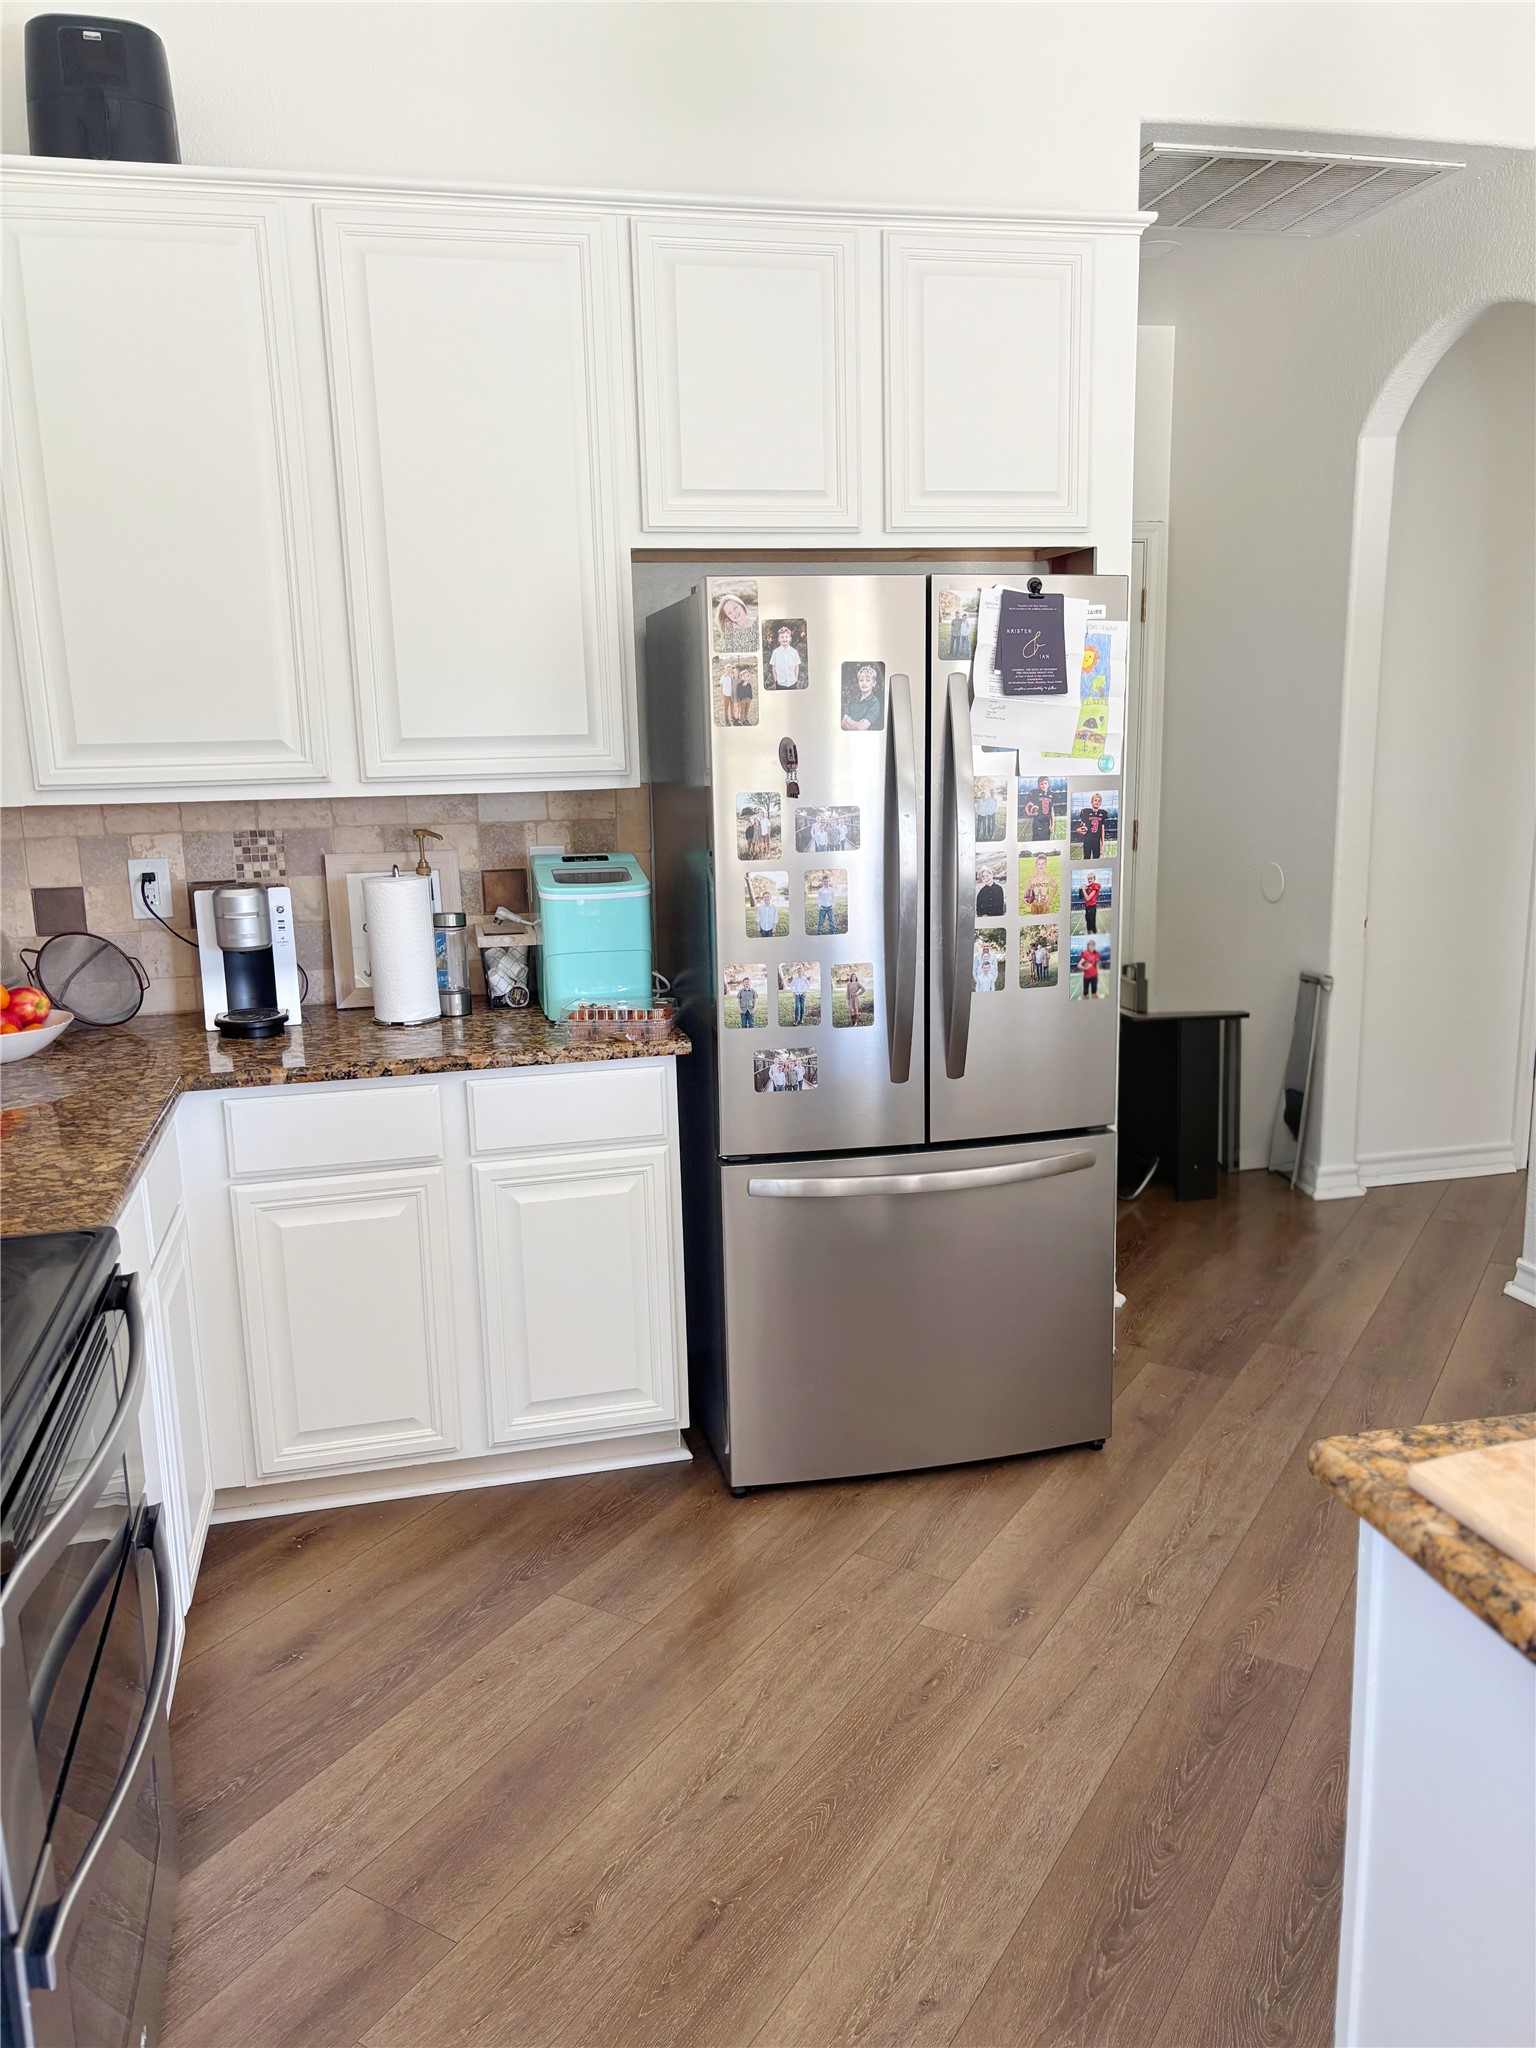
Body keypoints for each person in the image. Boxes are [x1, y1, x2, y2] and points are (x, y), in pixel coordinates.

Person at [841, 663, 884, 731]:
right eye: (861, 680)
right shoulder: (853, 700)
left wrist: (848, 720)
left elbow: (862, 728)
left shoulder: (875, 703)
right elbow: (843, 723)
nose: (864, 683)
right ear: (858, 682)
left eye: (868, 680)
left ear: (874, 683)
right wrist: (856, 724)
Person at [767, 623, 802, 690]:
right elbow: (773, 667)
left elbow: (796, 666)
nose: (784, 639)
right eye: (782, 637)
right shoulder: (775, 652)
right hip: (780, 683)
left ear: (790, 639)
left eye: (786, 637)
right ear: (779, 639)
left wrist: (795, 679)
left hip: (792, 683)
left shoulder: (794, 652)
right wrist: (776, 680)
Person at [1023, 775, 1056, 842]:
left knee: (1046, 841)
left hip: (1046, 823)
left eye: (1045, 783)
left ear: (1048, 784)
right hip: (1038, 821)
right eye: (1041, 784)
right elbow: (1027, 806)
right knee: (1036, 841)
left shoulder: (1051, 795)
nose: (1043, 785)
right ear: (1038, 785)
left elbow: (1052, 811)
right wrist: (1029, 813)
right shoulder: (1035, 793)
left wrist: (1052, 825)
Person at [1078, 792, 1108, 857]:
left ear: (1100, 803)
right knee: (1086, 861)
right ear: (1091, 802)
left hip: (1096, 843)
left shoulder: (1102, 813)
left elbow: (1102, 830)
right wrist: (1082, 829)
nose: (1097, 802)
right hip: (1087, 842)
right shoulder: (1085, 812)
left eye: (1099, 801)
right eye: (1095, 800)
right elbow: (1081, 825)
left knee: (1097, 863)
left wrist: (1102, 845)